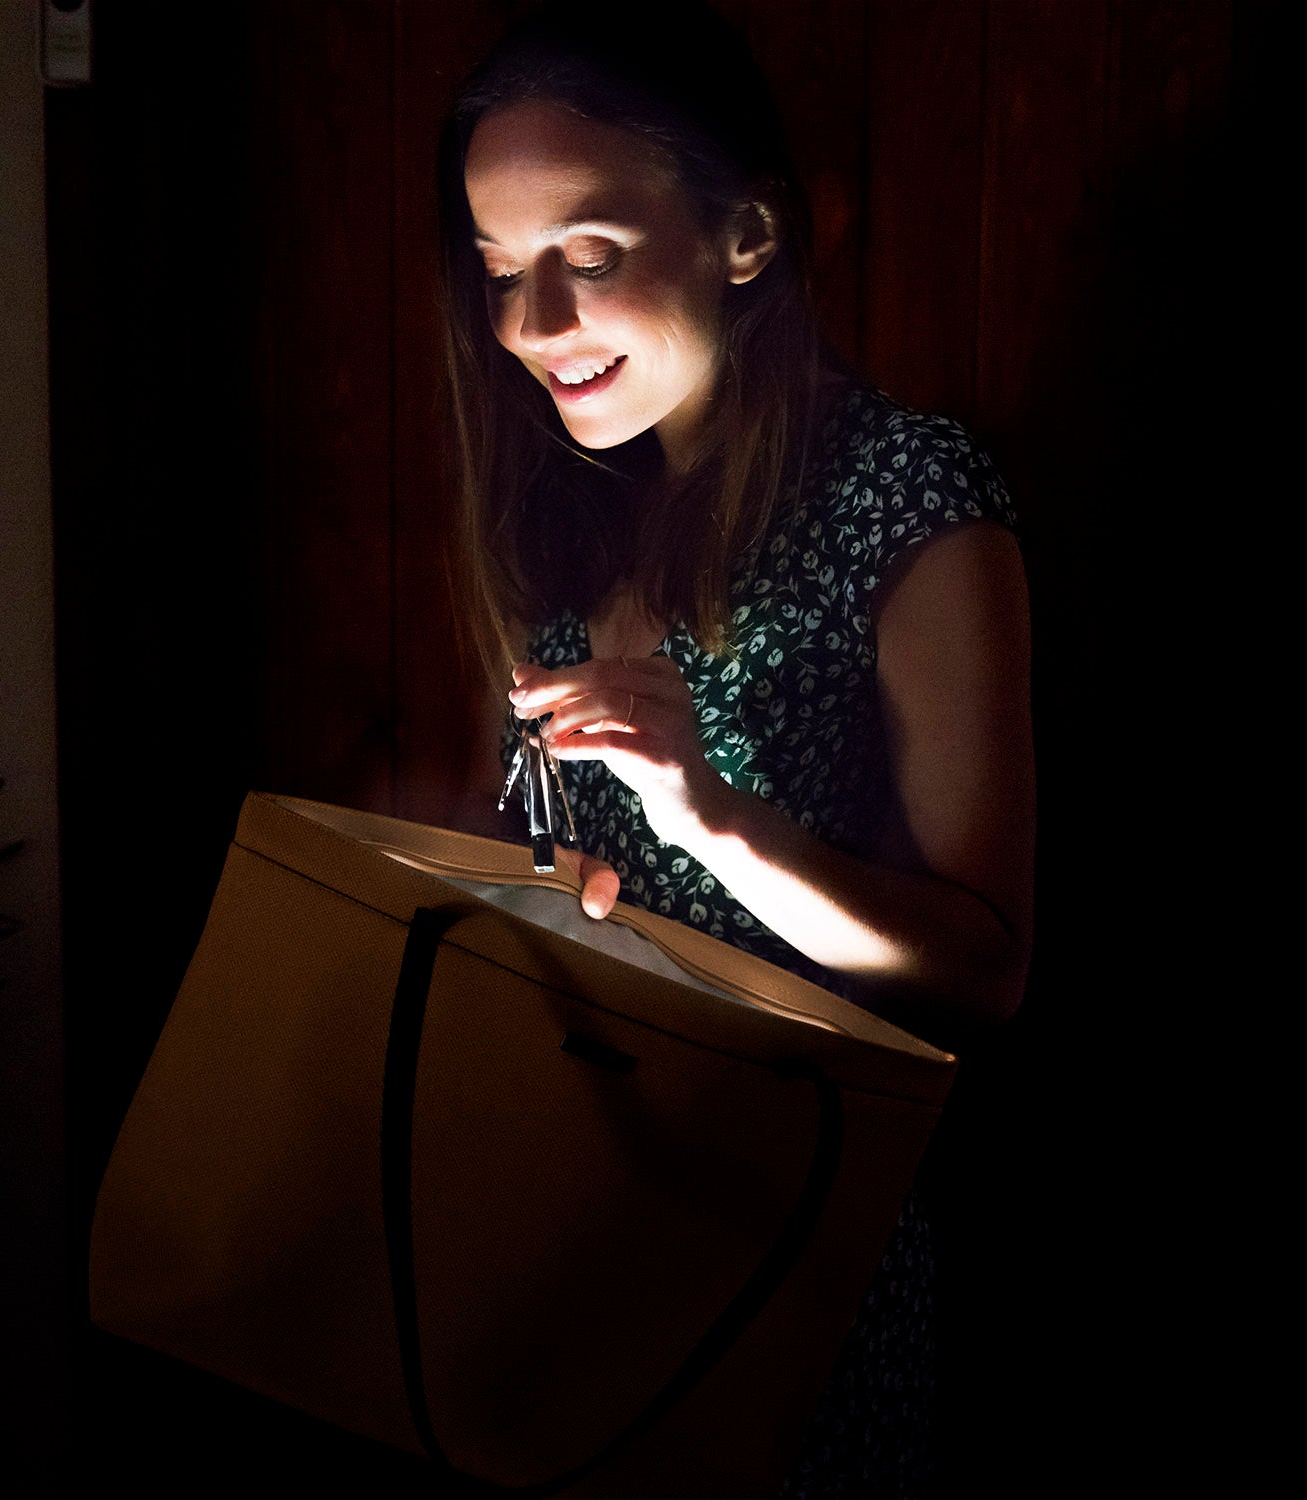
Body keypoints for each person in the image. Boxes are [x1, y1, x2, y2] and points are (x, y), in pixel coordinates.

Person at [437, 2, 1035, 1493]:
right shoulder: (575, 511)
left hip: (794, 1247)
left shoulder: (906, 492)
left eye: (588, 255)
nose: (531, 325)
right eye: (502, 270)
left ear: (746, 235)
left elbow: (984, 964)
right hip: (580, 1222)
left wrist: (712, 818)